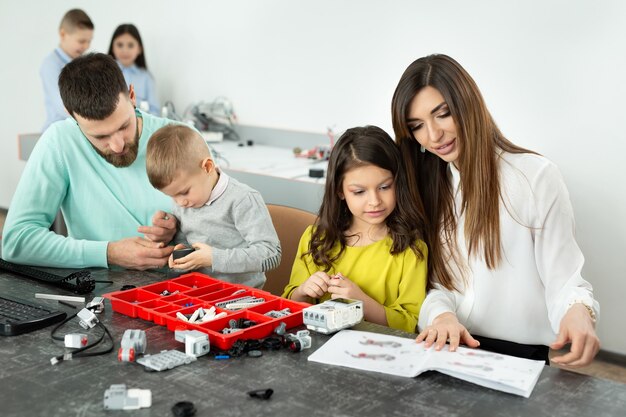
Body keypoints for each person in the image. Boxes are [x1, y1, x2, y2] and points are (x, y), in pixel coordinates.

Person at [391, 54, 599, 365]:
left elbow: (565, 280)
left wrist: (579, 312)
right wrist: (443, 315)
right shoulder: (429, 185)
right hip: (445, 347)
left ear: (468, 104)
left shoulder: (535, 177)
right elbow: (437, 285)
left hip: (520, 359)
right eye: (417, 126)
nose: (433, 136)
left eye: (443, 114)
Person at [3, 53, 178, 270]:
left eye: (124, 126)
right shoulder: (60, 142)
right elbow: (16, 241)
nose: (117, 146)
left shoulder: (181, 138)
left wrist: (180, 230)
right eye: (100, 137)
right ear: (71, 115)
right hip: (97, 291)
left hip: (185, 290)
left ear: (132, 95)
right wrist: (108, 253)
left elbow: (222, 233)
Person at [282, 126, 429, 333]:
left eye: (385, 187)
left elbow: (408, 323)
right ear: (340, 191)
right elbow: (288, 304)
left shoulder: (411, 250)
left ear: (398, 183)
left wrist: (361, 301)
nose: (374, 201)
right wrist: (303, 291)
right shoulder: (315, 239)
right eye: (359, 192)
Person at [146, 124, 281, 288]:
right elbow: (189, 242)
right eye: (171, 196)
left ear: (207, 167)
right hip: (200, 293)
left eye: (184, 192)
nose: (180, 202)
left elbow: (271, 254)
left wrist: (213, 258)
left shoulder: (242, 199)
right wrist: (179, 250)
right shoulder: (184, 202)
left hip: (241, 298)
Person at [40, 9, 94, 131]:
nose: (86, 46)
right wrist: (94, 117)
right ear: (63, 34)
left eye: (89, 41)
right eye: (81, 41)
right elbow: (62, 105)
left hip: (80, 128)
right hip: (59, 132)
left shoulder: (84, 63)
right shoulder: (50, 64)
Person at [108, 24, 159, 115]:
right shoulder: (106, 73)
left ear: (139, 49)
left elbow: (155, 110)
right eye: (120, 45)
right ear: (112, 47)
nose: (125, 50)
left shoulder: (146, 77)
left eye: (130, 45)